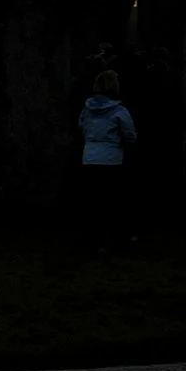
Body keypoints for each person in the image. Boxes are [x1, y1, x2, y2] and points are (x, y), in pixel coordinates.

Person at [77, 70, 137, 252]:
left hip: (89, 157)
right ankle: (120, 239)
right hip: (111, 159)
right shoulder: (119, 111)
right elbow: (129, 135)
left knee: (92, 204)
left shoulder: (86, 110)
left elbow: (81, 128)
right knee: (115, 203)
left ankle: (94, 240)